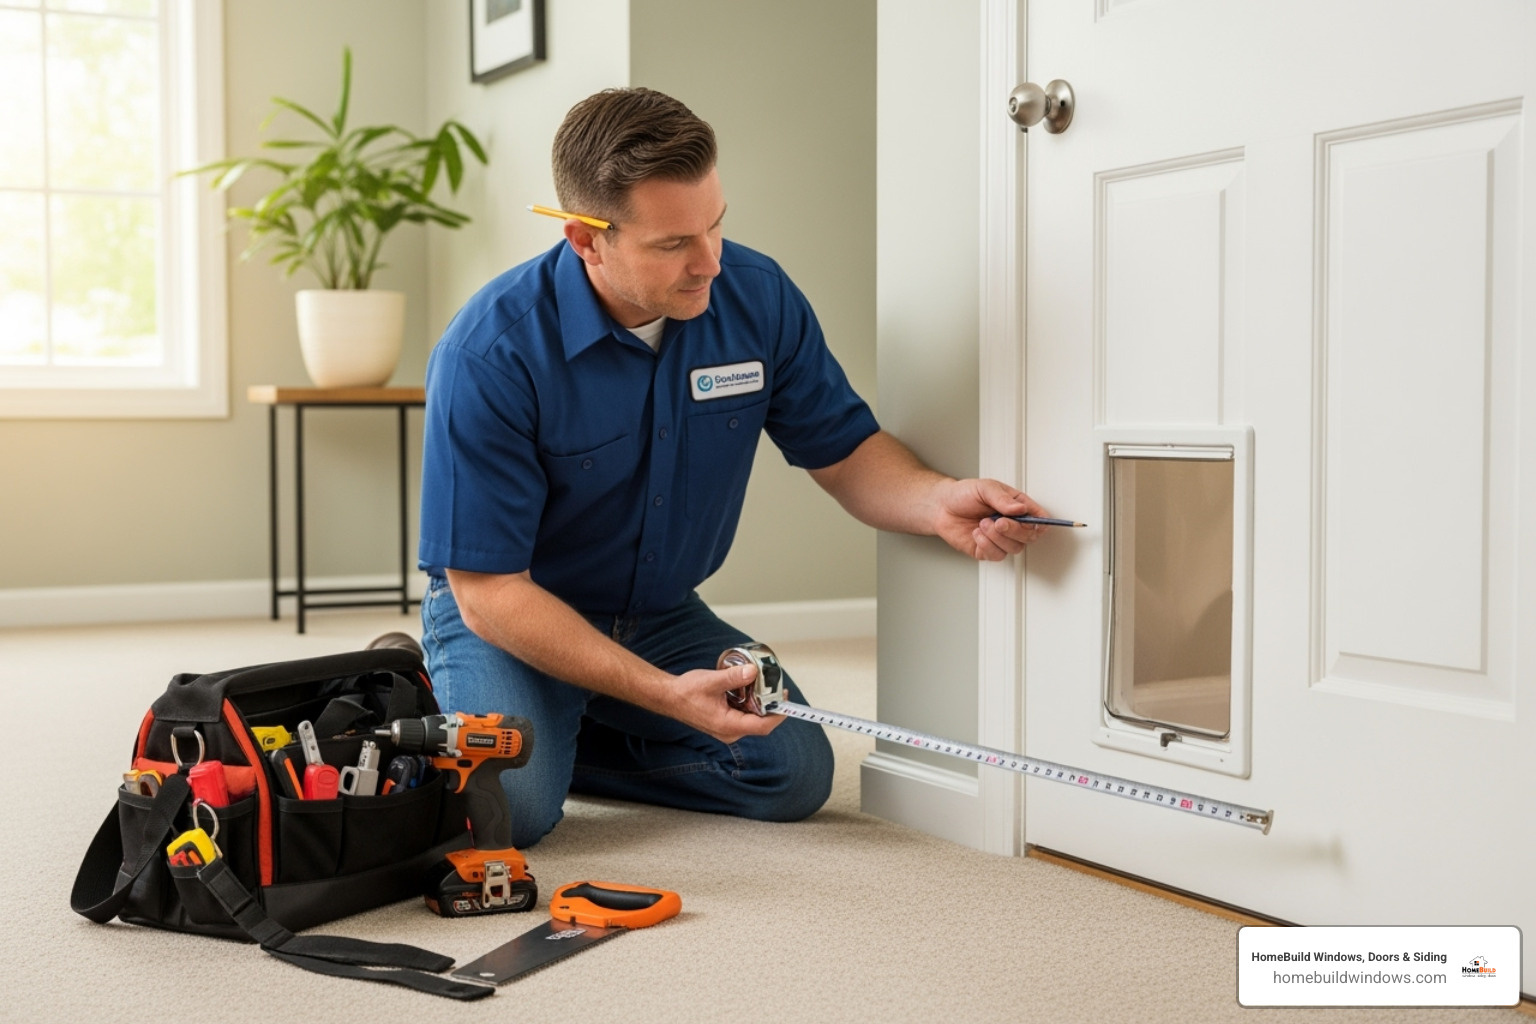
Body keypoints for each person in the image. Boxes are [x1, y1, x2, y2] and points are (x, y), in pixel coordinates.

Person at [415, 87, 1052, 849]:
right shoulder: (490, 352)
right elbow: (489, 593)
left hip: (659, 613)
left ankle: (566, 739)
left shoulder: (757, 296)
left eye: (716, 225)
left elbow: (845, 452)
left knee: (790, 771)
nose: (708, 262)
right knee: (512, 814)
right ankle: (465, 707)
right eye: (672, 244)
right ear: (588, 239)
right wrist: (662, 696)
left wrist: (938, 500)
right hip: (518, 617)